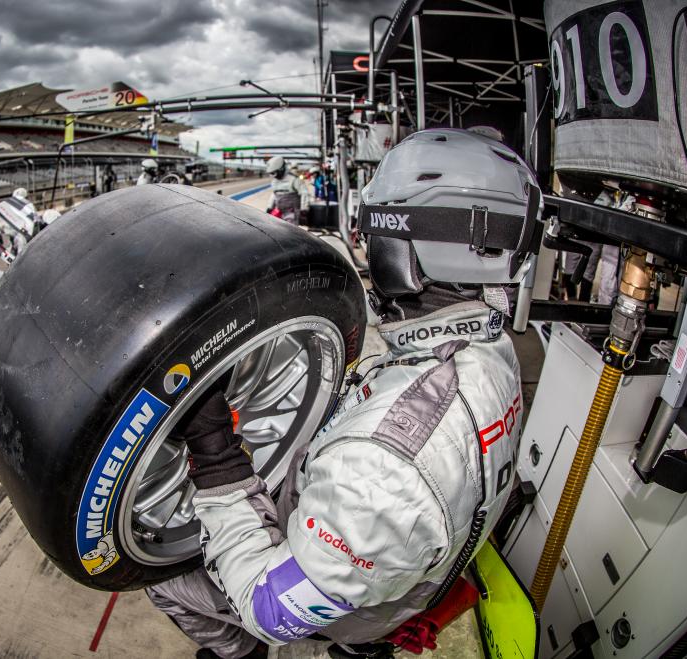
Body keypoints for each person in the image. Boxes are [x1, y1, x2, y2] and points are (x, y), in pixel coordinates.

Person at [146, 128, 536, 659]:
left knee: (162, 580)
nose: (368, 244)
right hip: (402, 567)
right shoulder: (492, 348)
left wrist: (213, 449)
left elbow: (272, 609)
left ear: (404, 245)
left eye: (374, 230)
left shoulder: (384, 468)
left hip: (347, 605)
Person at [265, 155, 306, 224]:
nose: (274, 176)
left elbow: (304, 193)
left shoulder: (294, 179)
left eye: (275, 173)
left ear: (281, 169)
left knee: (290, 231)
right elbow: (274, 194)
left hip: (292, 213)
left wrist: (304, 208)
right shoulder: (275, 181)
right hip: (279, 212)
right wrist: (269, 207)